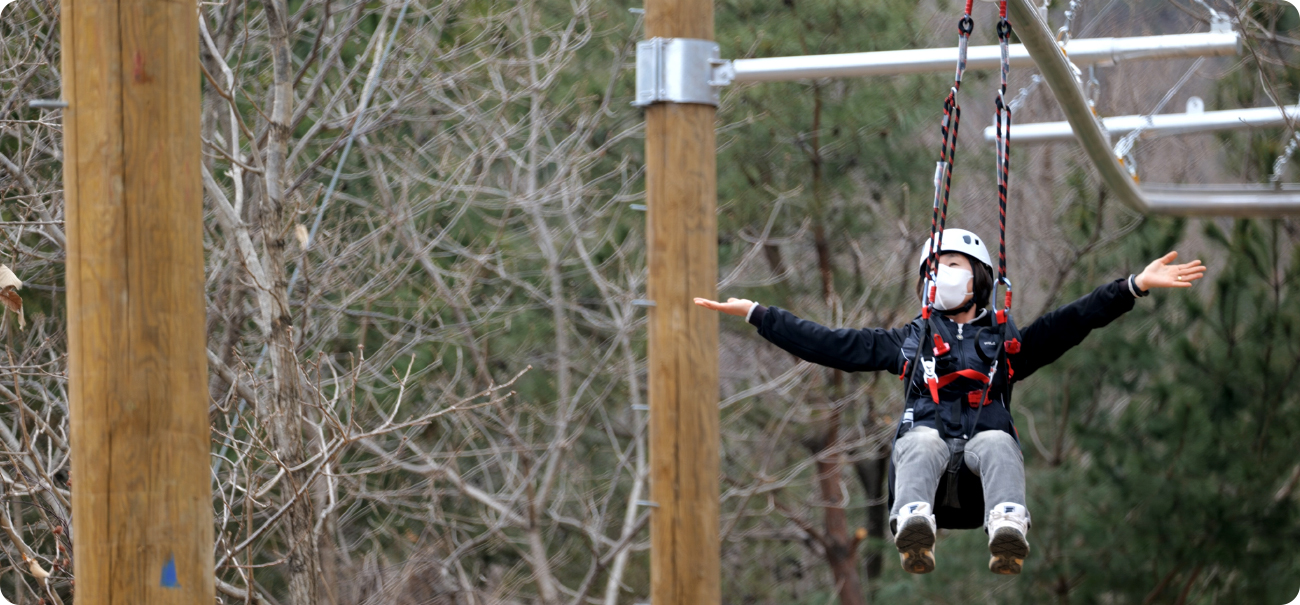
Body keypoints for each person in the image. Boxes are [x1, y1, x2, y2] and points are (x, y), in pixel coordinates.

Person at [694, 229, 1206, 575]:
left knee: (999, 443)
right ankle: (914, 521)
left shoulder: (1005, 344)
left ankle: (1007, 523)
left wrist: (1131, 287)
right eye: (935, 268)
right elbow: (832, 344)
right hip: (931, 452)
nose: (943, 275)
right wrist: (759, 314)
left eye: (953, 265)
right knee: (917, 442)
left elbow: (1071, 322)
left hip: (982, 459)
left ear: (978, 275)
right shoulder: (909, 341)